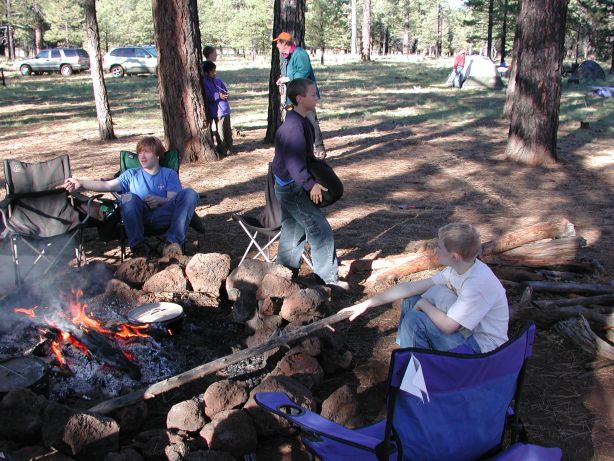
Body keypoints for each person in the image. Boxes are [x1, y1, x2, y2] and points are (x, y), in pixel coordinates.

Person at [342, 223, 508, 353]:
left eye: (440, 247)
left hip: (481, 349)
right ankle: (407, 353)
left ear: (454, 256)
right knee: (411, 300)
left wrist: (423, 305)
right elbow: (409, 288)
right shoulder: (458, 269)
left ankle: (417, 374)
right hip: (467, 331)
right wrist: (366, 304)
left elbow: (449, 327)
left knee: (415, 319)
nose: (436, 250)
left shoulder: (476, 283)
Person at [61, 136, 198, 258]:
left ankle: (171, 244)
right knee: (128, 197)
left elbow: (173, 199)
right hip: (137, 217)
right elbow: (108, 185)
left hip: (163, 216)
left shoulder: (168, 174)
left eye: (147, 152)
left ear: (157, 155)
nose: (142, 156)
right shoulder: (131, 174)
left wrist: (159, 200)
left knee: (190, 193)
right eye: (140, 152)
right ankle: (138, 247)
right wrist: (81, 183)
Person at [272, 78, 347, 290]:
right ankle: (327, 280)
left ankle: (282, 275)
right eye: (313, 94)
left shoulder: (303, 121)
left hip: (288, 184)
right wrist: (310, 184)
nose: (317, 97)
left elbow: (304, 158)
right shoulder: (294, 127)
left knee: (294, 230)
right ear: (299, 98)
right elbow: (293, 162)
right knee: (320, 230)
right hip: (291, 187)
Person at [273, 31, 326, 159]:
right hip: (291, 96)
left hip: (305, 95)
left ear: (285, 43)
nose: (277, 46)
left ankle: (319, 148)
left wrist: (288, 78)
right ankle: (298, 151)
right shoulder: (284, 56)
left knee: (311, 121)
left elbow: (304, 72)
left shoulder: (300, 54)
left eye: (278, 43)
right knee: (293, 123)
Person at [201, 60, 233, 156]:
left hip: (225, 109)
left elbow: (224, 90)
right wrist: (218, 96)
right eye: (212, 72)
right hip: (217, 111)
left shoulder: (218, 81)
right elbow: (207, 97)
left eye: (215, 71)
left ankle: (229, 147)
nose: (214, 73)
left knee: (228, 131)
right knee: (220, 132)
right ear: (206, 72)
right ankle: (222, 149)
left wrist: (226, 94)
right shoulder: (204, 83)